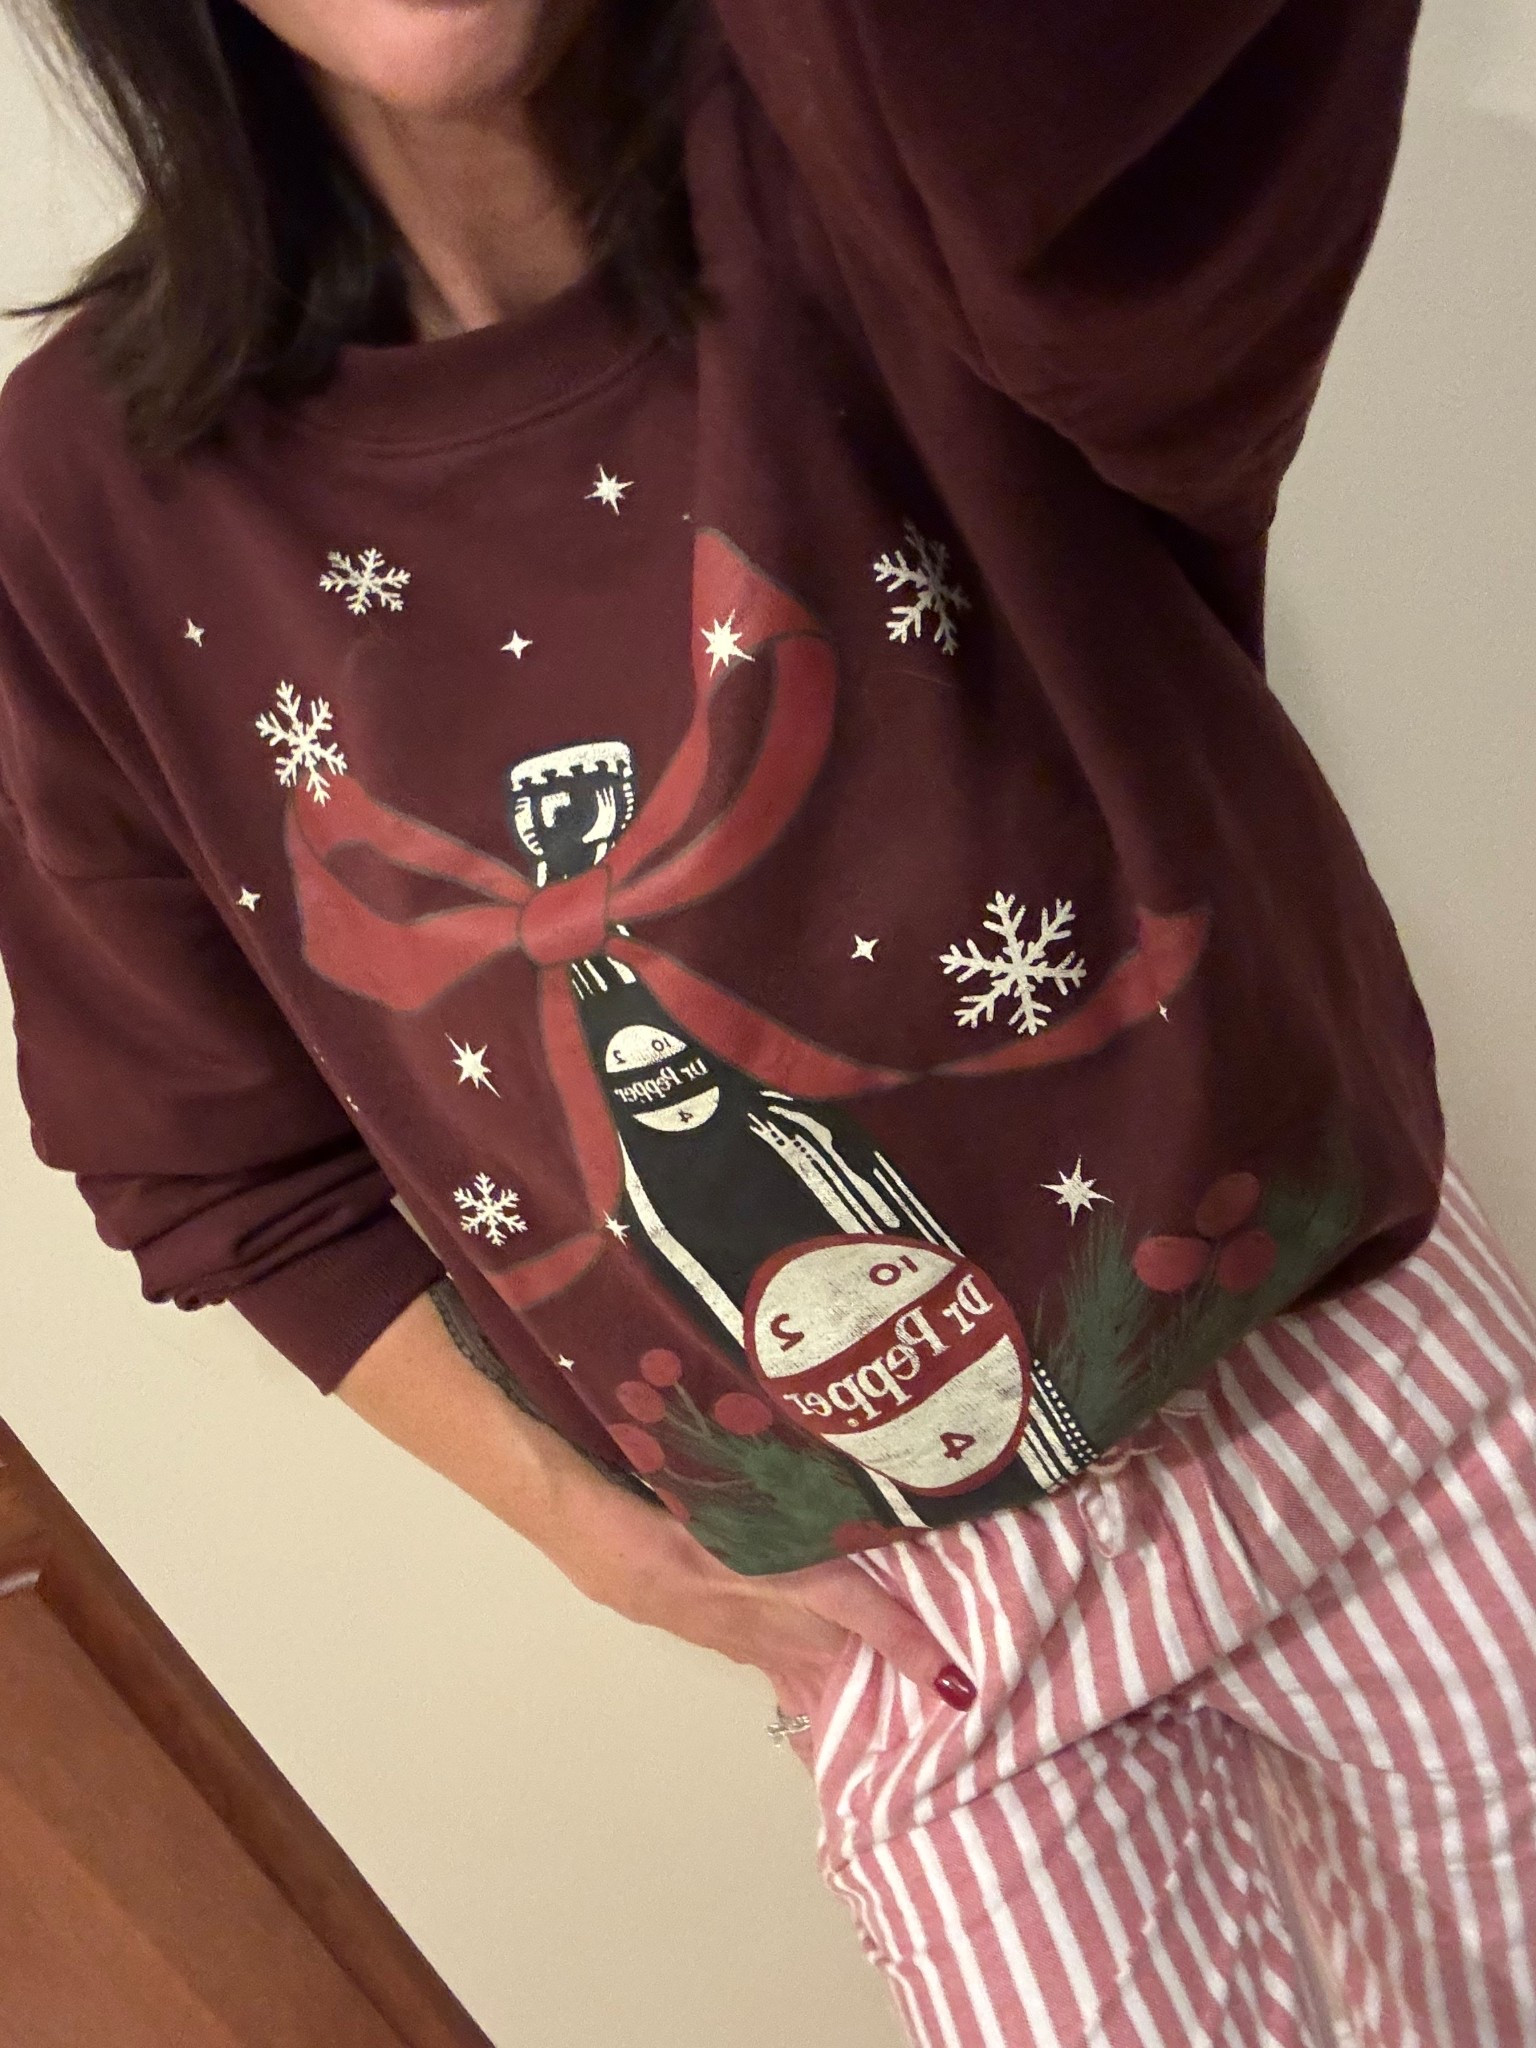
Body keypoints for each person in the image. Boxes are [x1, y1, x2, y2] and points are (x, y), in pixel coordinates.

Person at [2, 1, 1533, 2041]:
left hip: (1376, 1399)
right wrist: (580, 1530)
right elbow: (213, 1169)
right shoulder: (78, 510)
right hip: (930, 1646)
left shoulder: (927, 155)